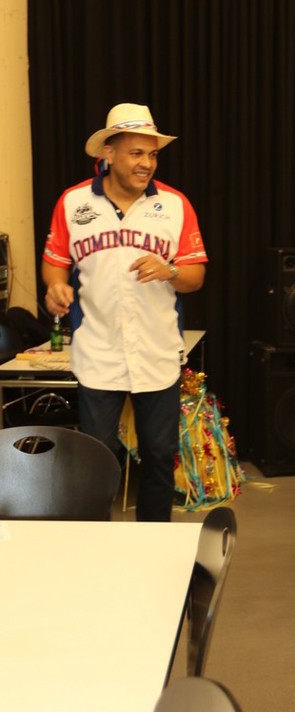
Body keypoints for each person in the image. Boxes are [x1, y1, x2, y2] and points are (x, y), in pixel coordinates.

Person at [42, 103, 207, 521]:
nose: (146, 163)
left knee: (159, 456)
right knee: (97, 459)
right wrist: (55, 286)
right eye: (136, 153)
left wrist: (170, 270)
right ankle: (98, 545)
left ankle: (153, 544)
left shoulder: (175, 204)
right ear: (109, 153)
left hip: (157, 351)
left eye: (152, 154)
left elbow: (195, 276)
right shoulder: (73, 202)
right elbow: (55, 261)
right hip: (98, 351)